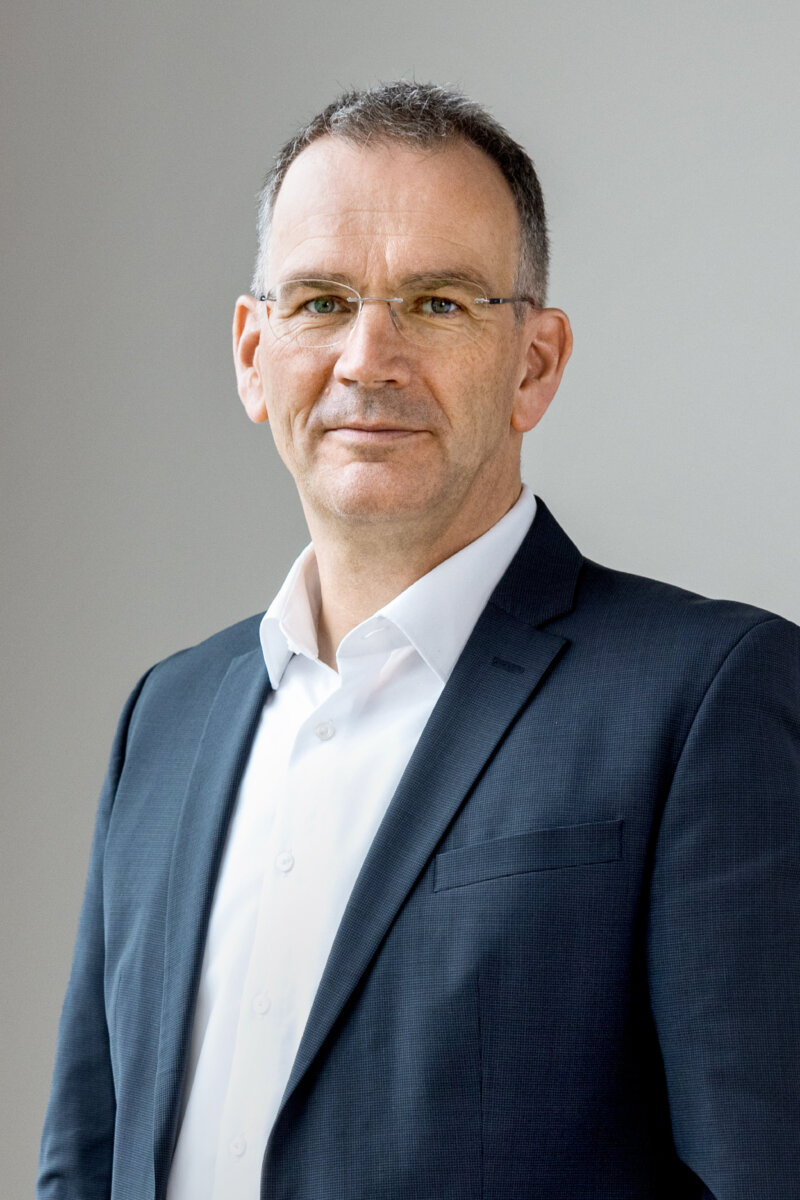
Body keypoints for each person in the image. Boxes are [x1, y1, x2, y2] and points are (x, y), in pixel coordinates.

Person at [38, 82, 799, 1200]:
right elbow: (85, 1160)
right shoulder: (166, 717)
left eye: (436, 303)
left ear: (534, 364)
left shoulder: (702, 701)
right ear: (252, 353)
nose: (368, 358)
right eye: (321, 301)